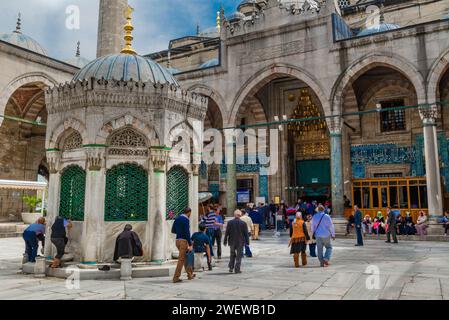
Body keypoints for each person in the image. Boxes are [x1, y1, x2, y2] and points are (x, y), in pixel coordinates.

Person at [171, 207, 195, 283]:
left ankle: (190, 274)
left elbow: (173, 230)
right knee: (181, 260)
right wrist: (190, 244)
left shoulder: (177, 219)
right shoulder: (186, 220)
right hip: (183, 241)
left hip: (177, 241)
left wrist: (179, 232)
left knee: (184, 258)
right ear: (189, 212)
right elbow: (187, 233)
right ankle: (176, 277)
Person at [224, 210, 249, 274]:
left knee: (232, 254)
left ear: (234, 215)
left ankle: (231, 267)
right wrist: (247, 242)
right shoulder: (243, 223)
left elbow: (227, 232)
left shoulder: (230, 222)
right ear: (240, 215)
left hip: (231, 241)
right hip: (240, 242)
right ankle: (237, 269)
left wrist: (225, 240)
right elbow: (246, 234)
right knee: (239, 255)